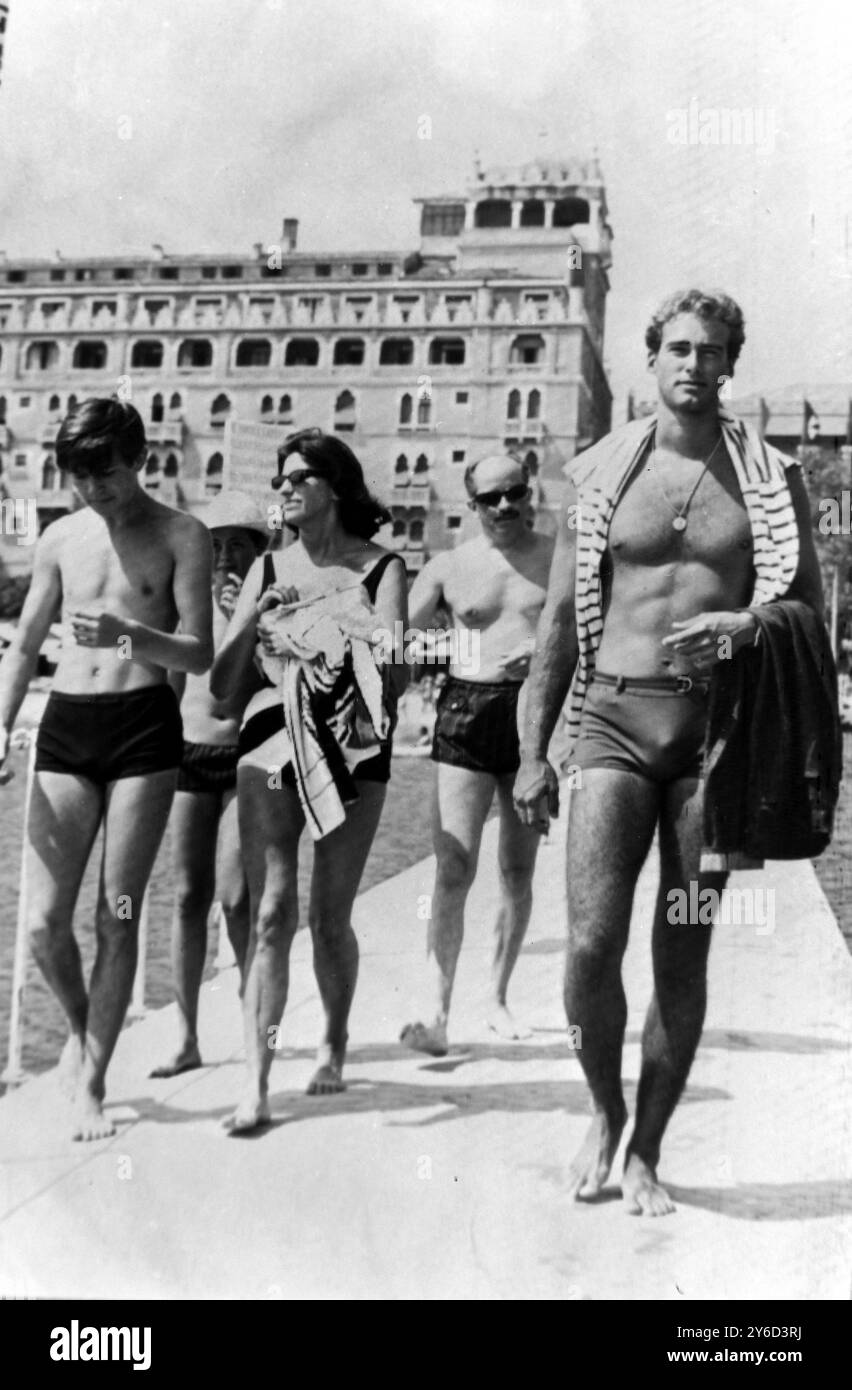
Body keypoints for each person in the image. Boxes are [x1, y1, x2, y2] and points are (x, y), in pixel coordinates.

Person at [514, 290, 823, 1215]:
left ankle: (646, 1150)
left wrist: (746, 621)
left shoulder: (771, 479)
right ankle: (603, 1115)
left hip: (710, 743)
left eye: (713, 350)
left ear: (731, 365)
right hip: (611, 720)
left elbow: (806, 603)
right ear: (652, 361)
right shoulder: (602, 472)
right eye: (678, 348)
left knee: (680, 953)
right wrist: (533, 750)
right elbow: (561, 624)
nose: (694, 363)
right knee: (590, 945)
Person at [0, 398, 213, 1140]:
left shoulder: (183, 535)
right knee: (41, 927)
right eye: (82, 476)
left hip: (141, 734)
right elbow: (24, 646)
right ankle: (84, 1031)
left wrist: (129, 636)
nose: (96, 489)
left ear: (141, 460)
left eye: (109, 473)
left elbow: (198, 652)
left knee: (115, 916)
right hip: (66, 727)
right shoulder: (61, 537)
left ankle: (91, 1081)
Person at [210, 428, 408, 1131]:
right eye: (281, 480)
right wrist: (249, 625)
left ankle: (333, 1039)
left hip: (354, 742)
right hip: (269, 737)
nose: (286, 489)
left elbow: (397, 675)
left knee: (329, 918)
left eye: (301, 478)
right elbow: (222, 691)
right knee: (269, 915)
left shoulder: (383, 568)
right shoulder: (265, 570)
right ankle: (256, 1084)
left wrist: (356, 635)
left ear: (337, 487)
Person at [399, 453, 554, 1056]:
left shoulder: (557, 557)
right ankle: (436, 1012)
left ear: (529, 492)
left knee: (517, 870)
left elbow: (592, 629)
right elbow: (397, 639)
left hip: (532, 721)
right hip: (464, 712)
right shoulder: (448, 565)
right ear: (473, 505)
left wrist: (543, 649)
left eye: (514, 492)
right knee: (453, 867)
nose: (505, 506)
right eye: (490, 498)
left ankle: (497, 997)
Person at [150, 492, 269, 1079]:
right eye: (216, 546)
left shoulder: (274, 606)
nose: (224, 558)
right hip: (189, 756)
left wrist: (247, 619)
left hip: (247, 756)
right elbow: (171, 690)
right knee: (186, 896)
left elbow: (265, 687)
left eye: (237, 547)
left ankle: (253, 1025)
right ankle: (187, 1037)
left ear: (259, 551)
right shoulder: (188, 607)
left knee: (236, 896)